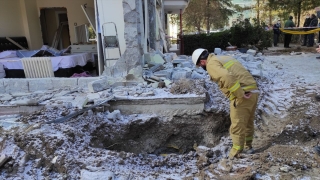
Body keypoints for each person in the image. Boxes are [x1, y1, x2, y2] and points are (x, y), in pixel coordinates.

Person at [191, 48, 259, 159]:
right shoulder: (222, 58)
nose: (203, 68)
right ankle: (248, 147)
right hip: (253, 91)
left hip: (243, 94)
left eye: (200, 65)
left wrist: (239, 94)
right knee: (247, 123)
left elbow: (226, 76)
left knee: (237, 125)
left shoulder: (211, 64)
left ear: (202, 62)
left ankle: (235, 153)